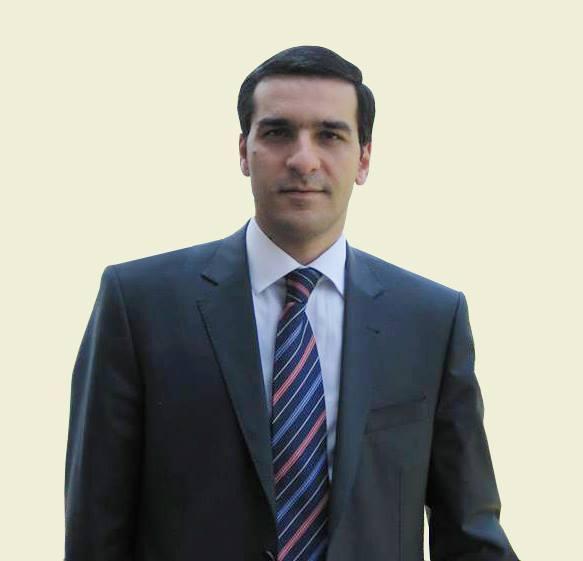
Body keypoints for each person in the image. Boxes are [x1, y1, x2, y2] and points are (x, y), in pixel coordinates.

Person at [64, 46, 520, 561]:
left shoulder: (431, 321)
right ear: (243, 151)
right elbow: (95, 528)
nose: (304, 159)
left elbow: (470, 534)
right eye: (278, 133)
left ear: (364, 158)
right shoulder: (139, 305)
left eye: (330, 135)